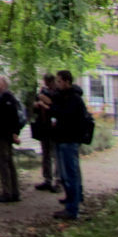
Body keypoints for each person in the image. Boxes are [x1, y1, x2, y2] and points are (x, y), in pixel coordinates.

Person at [49, 69, 87, 220]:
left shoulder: (73, 99)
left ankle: (73, 208)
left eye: (59, 81)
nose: (57, 85)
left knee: (71, 174)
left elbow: (66, 116)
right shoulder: (64, 97)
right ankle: (71, 202)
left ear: (66, 81)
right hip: (62, 139)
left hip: (69, 140)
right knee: (66, 175)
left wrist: (51, 107)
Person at [0, 75, 23, 202]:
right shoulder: (3, 97)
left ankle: (8, 192)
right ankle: (14, 192)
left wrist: (14, 133)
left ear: (4, 84)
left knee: (3, 163)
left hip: (4, 135)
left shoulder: (7, 98)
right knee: (9, 162)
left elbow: (12, 117)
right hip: (3, 134)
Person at [32, 73, 62, 193]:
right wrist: (37, 105)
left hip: (53, 127)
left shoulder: (57, 93)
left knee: (55, 154)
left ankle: (58, 180)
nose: (46, 85)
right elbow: (36, 106)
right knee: (45, 154)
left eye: (48, 82)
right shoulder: (43, 91)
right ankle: (47, 179)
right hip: (43, 126)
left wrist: (45, 102)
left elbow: (54, 105)